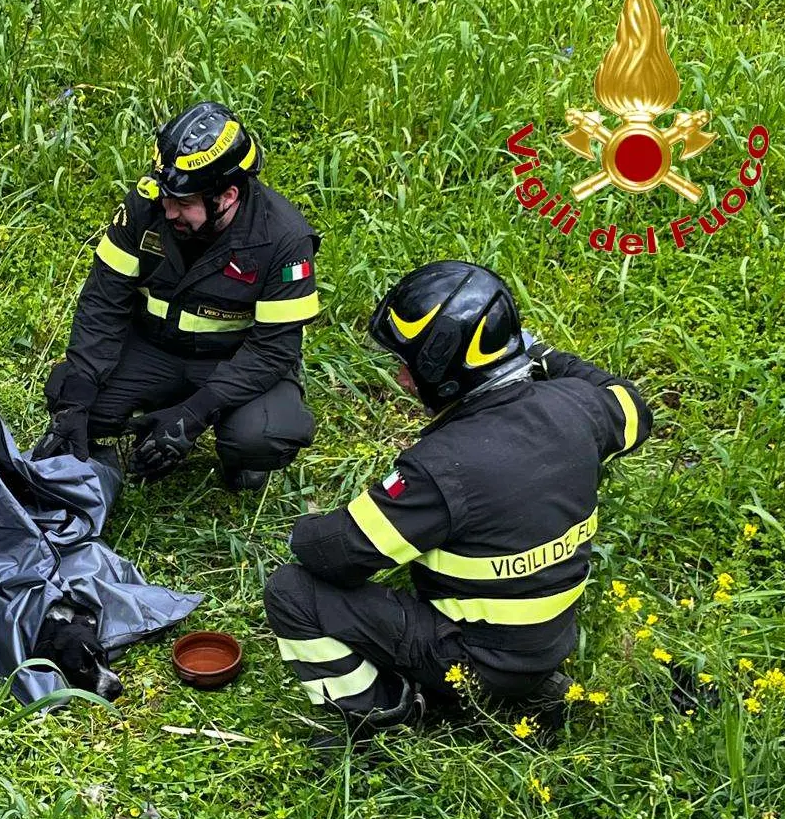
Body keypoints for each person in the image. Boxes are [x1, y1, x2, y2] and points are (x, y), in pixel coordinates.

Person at [263, 260, 652, 744]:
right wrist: (536, 351)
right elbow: (629, 399)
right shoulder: (582, 407)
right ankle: (527, 689)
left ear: (441, 370)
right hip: (550, 641)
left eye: (407, 364)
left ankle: (386, 713)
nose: (402, 378)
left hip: (472, 659)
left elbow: (340, 553)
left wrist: (300, 530)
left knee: (291, 591)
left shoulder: (441, 466)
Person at [32, 102, 320, 491]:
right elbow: (103, 301)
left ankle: (239, 455)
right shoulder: (144, 206)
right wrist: (76, 400)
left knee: (263, 435)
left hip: (234, 360)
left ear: (228, 196)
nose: (168, 212)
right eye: (167, 198)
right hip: (153, 348)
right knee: (72, 393)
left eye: (184, 204)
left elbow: (272, 351)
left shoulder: (285, 240)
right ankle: (116, 440)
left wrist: (193, 416)